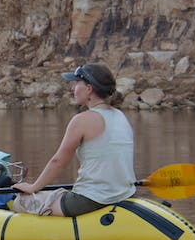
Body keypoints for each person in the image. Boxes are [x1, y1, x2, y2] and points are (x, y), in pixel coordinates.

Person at [10, 63, 136, 216]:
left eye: (77, 83)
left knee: (20, 201)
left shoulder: (82, 120)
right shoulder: (121, 116)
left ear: (89, 88)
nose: (72, 88)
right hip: (125, 195)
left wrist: (32, 188)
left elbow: (58, 162)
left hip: (90, 200)